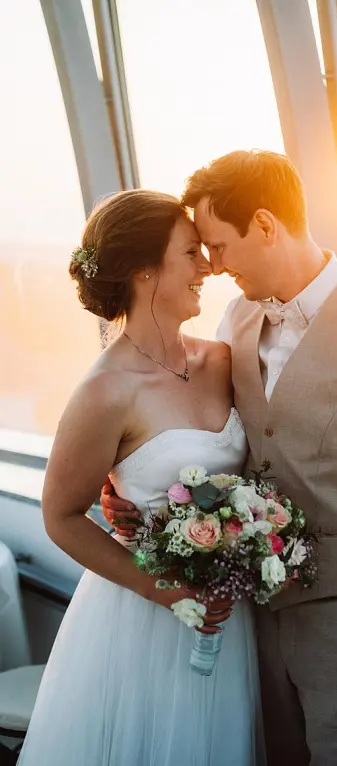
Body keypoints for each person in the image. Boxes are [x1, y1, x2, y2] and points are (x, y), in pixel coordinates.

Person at [102, 150, 337, 765]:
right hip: (252, 619)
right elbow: (213, 436)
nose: (214, 265)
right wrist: (132, 488)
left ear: (265, 225)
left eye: (219, 246)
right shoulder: (236, 317)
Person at [19, 190, 262, 765]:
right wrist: (164, 589)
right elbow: (60, 516)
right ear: (144, 271)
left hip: (229, 614)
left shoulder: (222, 360)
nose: (208, 267)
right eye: (191, 253)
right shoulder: (104, 391)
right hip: (142, 618)